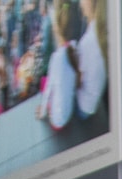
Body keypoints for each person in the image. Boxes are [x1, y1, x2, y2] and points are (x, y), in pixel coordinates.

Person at [34, 1, 79, 133]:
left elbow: (49, 89)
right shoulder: (74, 47)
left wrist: (42, 112)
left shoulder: (56, 58)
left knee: (45, 83)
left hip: (58, 120)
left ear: (56, 28)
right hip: (69, 112)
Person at [75, 0, 107, 121]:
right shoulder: (102, 32)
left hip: (85, 107)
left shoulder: (87, 42)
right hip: (95, 103)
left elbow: (78, 80)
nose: (80, 3)